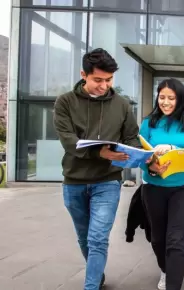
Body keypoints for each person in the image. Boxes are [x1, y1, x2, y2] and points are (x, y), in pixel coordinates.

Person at [53, 48, 141, 290]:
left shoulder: (122, 105)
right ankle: (97, 272)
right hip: (74, 182)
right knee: (84, 238)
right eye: (98, 80)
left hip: (108, 181)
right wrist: (98, 152)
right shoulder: (65, 102)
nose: (104, 86)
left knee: (97, 239)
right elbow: (68, 140)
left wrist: (137, 155)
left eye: (109, 80)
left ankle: (91, 286)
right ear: (84, 74)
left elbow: (132, 137)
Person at [139, 78, 184, 290]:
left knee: (177, 240)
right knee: (158, 239)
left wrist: (171, 147)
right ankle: (166, 270)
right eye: (162, 97)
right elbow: (141, 153)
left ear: (180, 99)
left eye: (171, 98)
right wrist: (150, 167)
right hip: (153, 188)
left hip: (183, 188)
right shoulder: (149, 122)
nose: (165, 102)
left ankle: (173, 284)